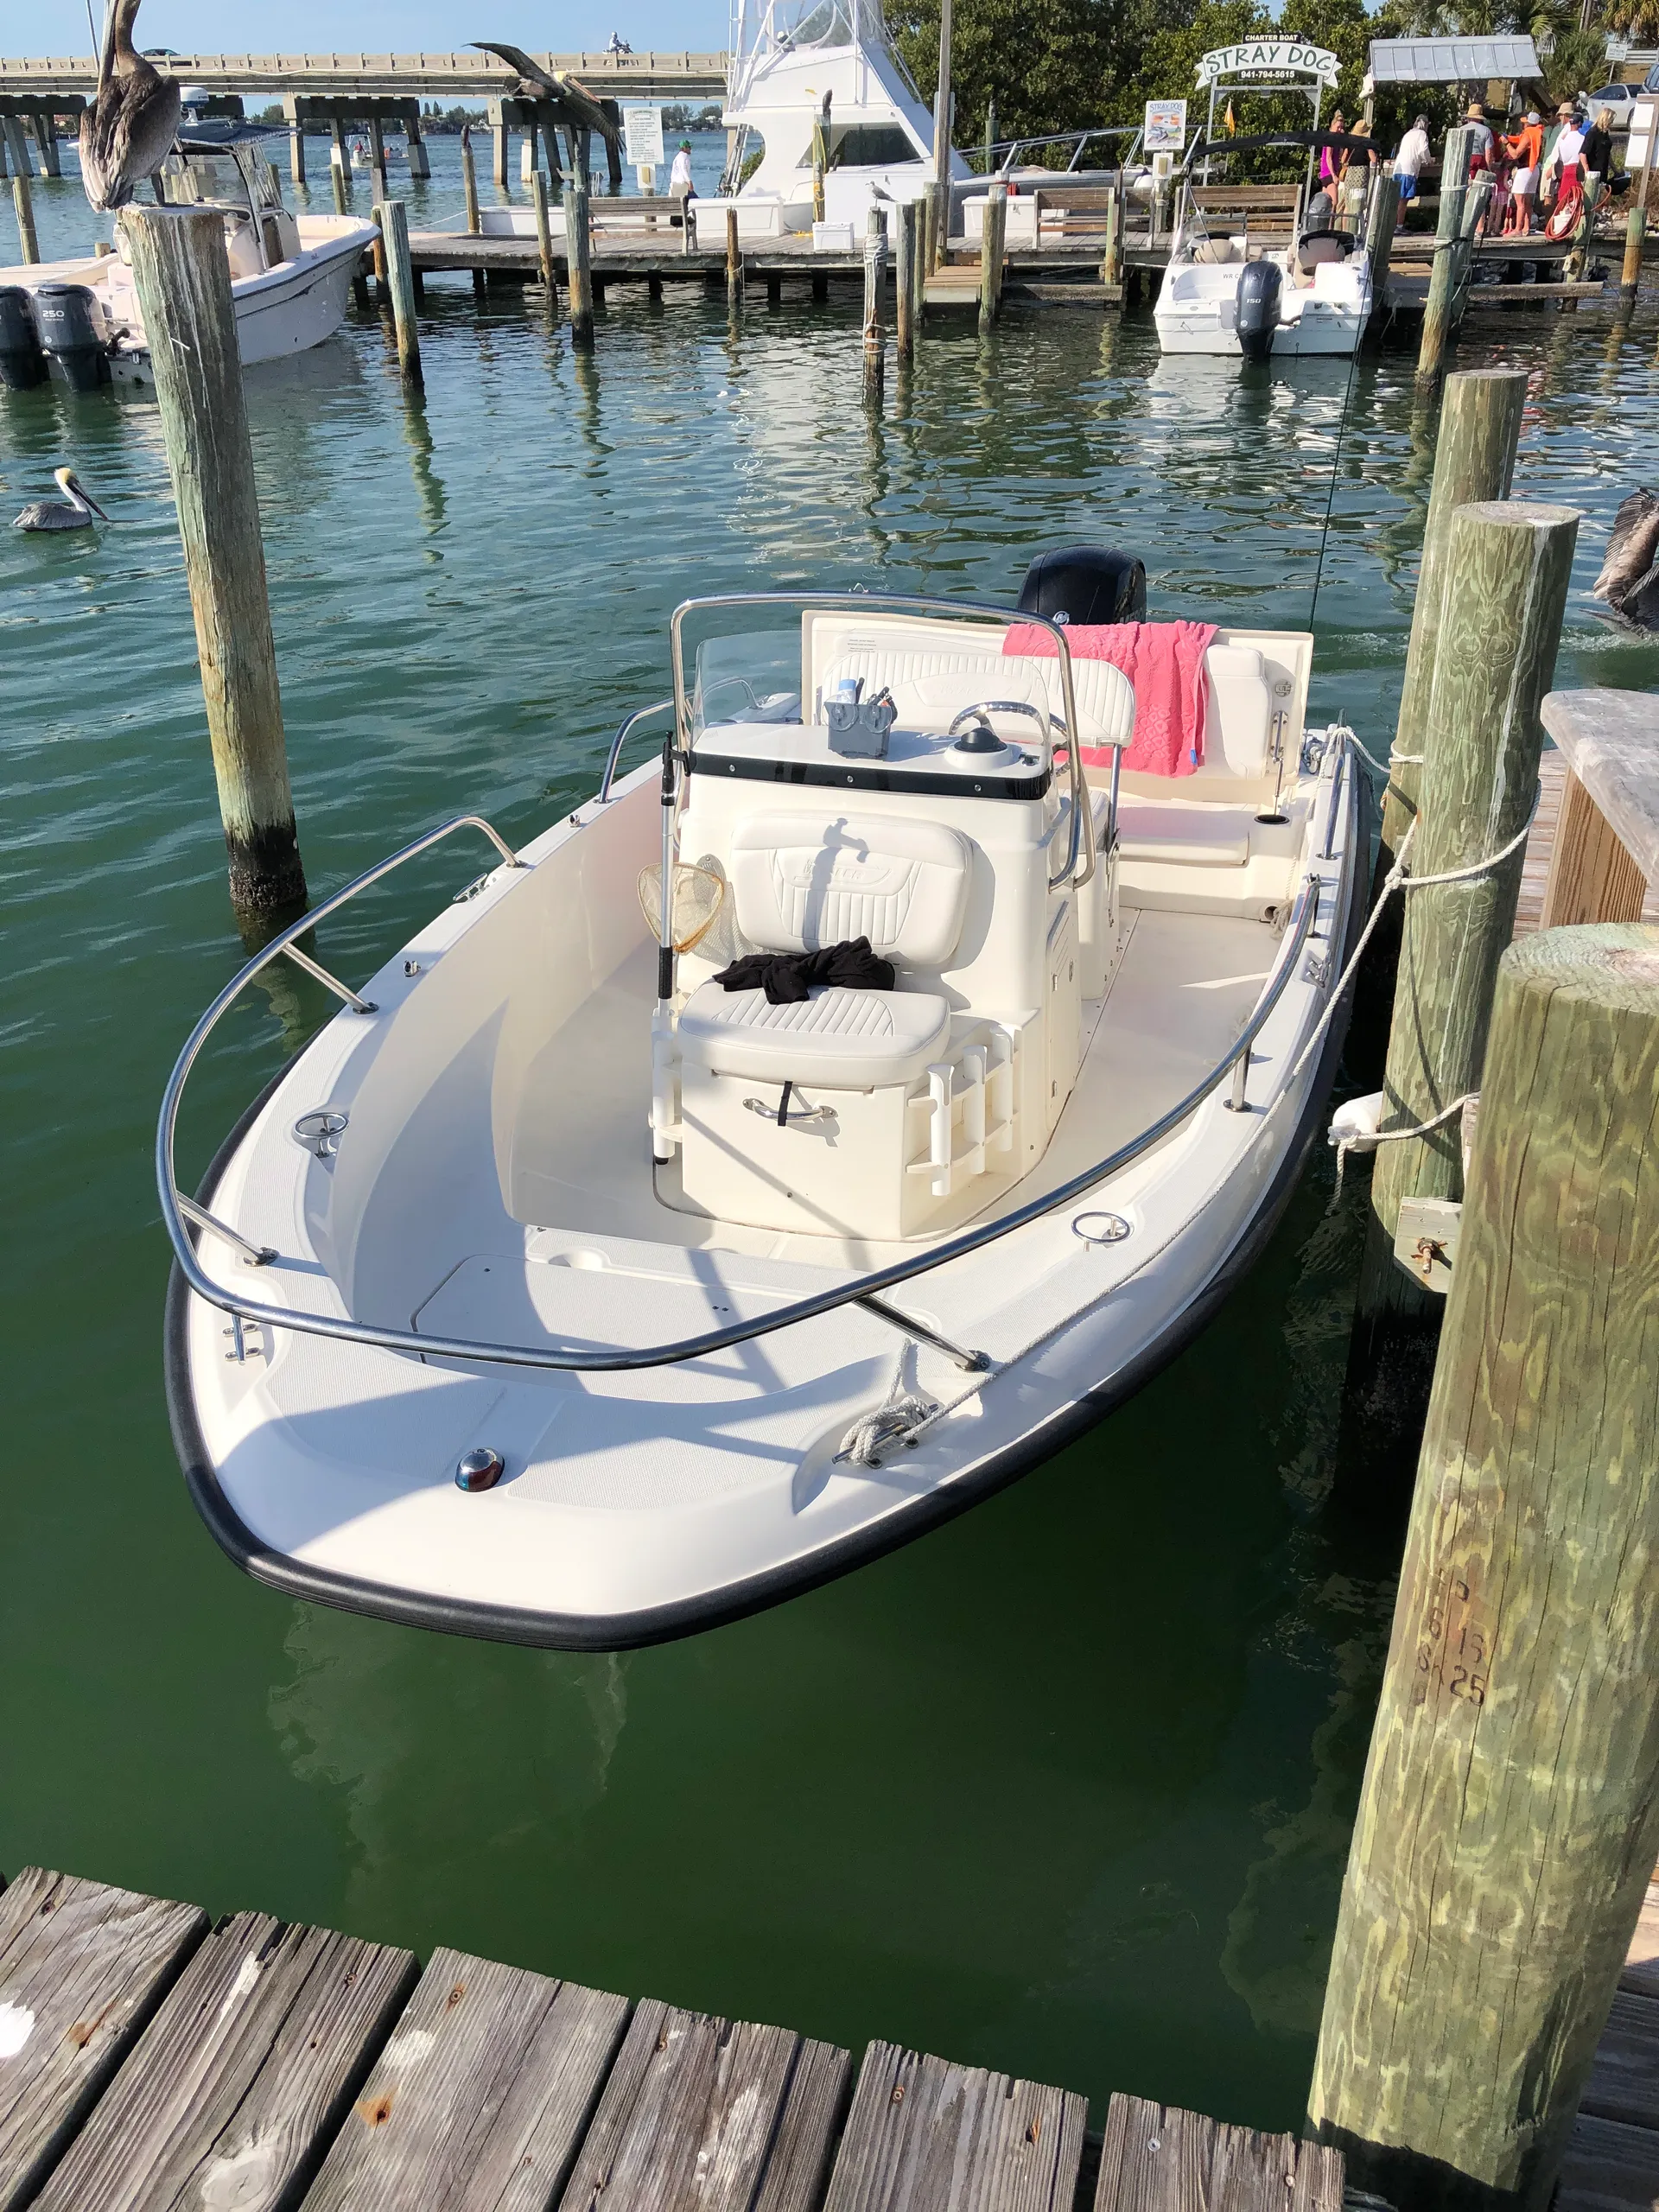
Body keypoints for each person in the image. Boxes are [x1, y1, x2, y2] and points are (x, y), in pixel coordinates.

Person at [1502, 109, 1544, 232]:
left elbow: (1515, 154)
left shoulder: (1528, 135)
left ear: (1528, 124)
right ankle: (1526, 227)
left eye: (1525, 123)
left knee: (1519, 201)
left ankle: (1517, 229)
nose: (1523, 125)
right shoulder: (1538, 134)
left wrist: (1507, 144)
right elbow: (1518, 139)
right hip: (1534, 169)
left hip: (1524, 170)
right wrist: (1509, 138)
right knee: (1528, 202)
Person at [1394, 113, 1431, 202]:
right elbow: (1423, 150)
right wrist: (1428, 161)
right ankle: (1400, 217)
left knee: (1396, 200)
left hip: (1398, 170)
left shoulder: (1408, 134)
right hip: (1408, 171)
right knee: (1403, 201)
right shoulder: (1421, 134)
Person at [1581, 105, 1613, 190]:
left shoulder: (1605, 134)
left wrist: (1615, 170)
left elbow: (1607, 153)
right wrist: (1587, 171)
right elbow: (1582, 153)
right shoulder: (1592, 133)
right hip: (1592, 173)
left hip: (1602, 172)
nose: (1612, 123)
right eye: (1611, 121)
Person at [1464, 99, 1495, 172]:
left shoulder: (1461, 129)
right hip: (1479, 162)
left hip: (1464, 159)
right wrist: (1488, 168)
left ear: (1469, 117)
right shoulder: (1486, 130)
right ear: (1480, 118)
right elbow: (1488, 152)